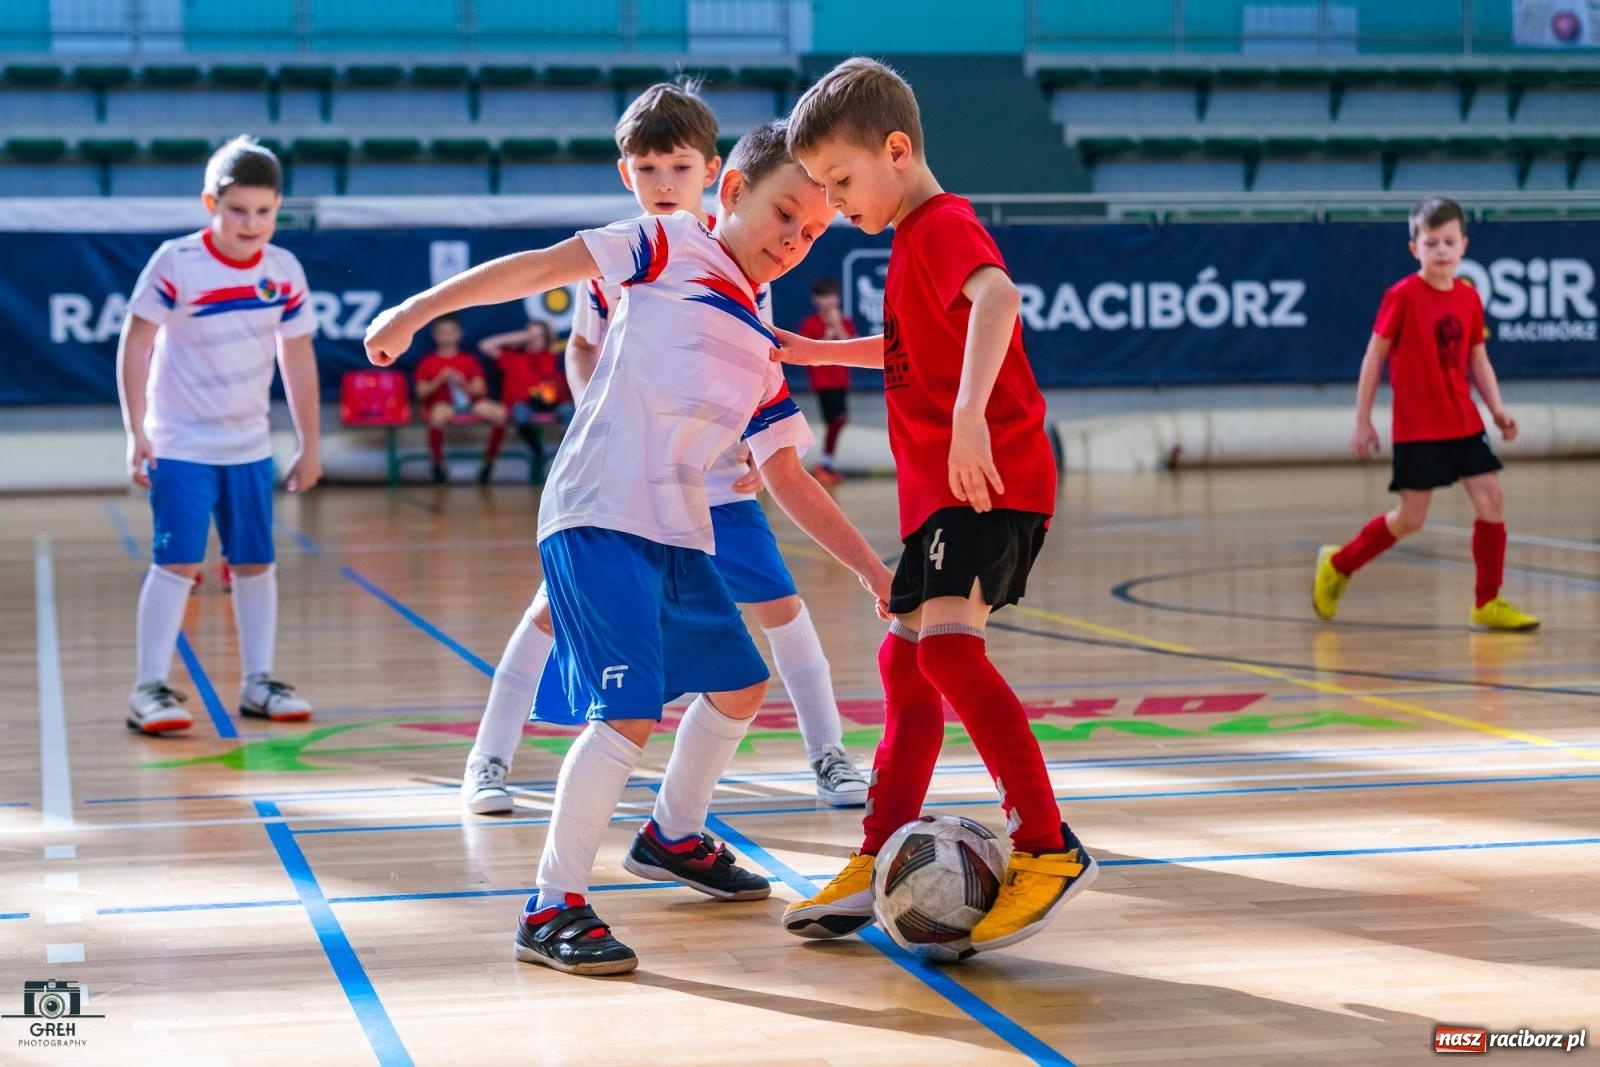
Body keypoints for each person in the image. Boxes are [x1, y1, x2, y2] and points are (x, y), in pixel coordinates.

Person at [366, 120, 893, 975]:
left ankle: (673, 836)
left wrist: (877, 572)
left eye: (811, 231)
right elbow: (540, 268)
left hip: (680, 528)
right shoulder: (663, 241)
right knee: (631, 711)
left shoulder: (760, 343)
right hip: (595, 511)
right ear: (731, 194)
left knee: (739, 685)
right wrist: (418, 310)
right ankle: (551, 905)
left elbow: (788, 476)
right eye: (783, 215)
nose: (794, 240)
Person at [458, 83, 867, 822]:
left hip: (716, 479)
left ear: (711, 174)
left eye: (677, 169)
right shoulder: (619, 254)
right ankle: (489, 757)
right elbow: (583, 352)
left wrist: (759, 440)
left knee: (780, 605)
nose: (663, 185)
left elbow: (754, 364)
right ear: (627, 175)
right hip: (630, 483)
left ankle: (827, 752)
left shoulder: (750, 252)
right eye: (648, 170)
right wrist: (610, 423)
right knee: (551, 612)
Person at [774, 58, 1097, 953]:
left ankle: (1045, 842)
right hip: (938, 500)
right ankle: (879, 853)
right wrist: (817, 348)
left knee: (949, 656)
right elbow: (912, 345)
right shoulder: (908, 244)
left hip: (986, 481)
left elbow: (1000, 298)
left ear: (897, 149)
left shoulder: (943, 223)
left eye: (842, 181)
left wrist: (967, 417)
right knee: (904, 668)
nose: (836, 205)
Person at [118, 135, 320, 734]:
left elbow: (299, 359)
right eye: (237, 210)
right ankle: (148, 688)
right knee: (178, 562)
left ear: (278, 208)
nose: (250, 223)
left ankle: (259, 681)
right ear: (211, 202)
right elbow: (135, 344)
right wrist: (137, 433)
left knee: (255, 562)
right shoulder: (176, 262)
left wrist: (310, 442)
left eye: (263, 211)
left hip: (249, 447)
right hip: (180, 444)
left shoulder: (284, 271)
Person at [1312, 196, 1538, 632]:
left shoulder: (1470, 298)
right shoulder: (1401, 296)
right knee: (1411, 518)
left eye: (1448, 241)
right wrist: (1362, 420)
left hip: (1464, 421)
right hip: (1418, 427)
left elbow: (1478, 359)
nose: (1441, 250)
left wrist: (1497, 409)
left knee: (1492, 498)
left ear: (1463, 245)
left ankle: (1487, 602)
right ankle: (1339, 563)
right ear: (1414, 248)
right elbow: (1372, 359)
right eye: (1430, 242)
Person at [413, 314, 507, 485]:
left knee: (500, 413)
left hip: (470, 405)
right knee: (437, 415)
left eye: (451, 332)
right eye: (443, 332)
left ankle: (489, 463)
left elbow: (480, 389)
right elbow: (420, 392)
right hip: (443, 406)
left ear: (459, 334)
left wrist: (463, 382)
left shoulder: (468, 360)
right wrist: (439, 380)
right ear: (435, 335)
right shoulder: (428, 362)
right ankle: (438, 465)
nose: (447, 336)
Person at [479, 318, 573, 478]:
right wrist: (522, 337)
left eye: (539, 336)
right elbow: (486, 345)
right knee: (520, 414)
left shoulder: (551, 355)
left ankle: (564, 455)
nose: (534, 340)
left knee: (571, 412)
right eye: (530, 336)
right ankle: (539, 454)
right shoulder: (513, 357)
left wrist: (545, 336)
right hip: (525, 404)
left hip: (553, 402)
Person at [797, 276, 855, 484]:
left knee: (840, 419)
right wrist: (826, 336)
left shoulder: (844, 321)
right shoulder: (810, 324)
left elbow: (851, 345)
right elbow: (806, 350)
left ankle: (826, 463)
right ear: (815, 299)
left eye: (831, 296)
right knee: (836, 419)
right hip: (823, 381)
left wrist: (837, 325)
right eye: (823, 296)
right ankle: (824, 463)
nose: (828, 301)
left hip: (840, 379)